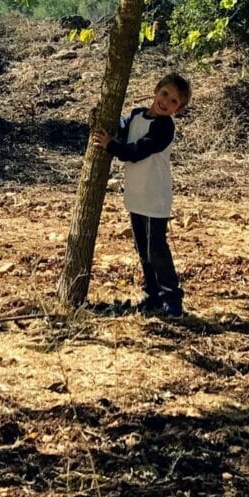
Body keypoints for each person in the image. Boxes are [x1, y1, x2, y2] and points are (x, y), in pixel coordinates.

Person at [94, 71, 191, 316]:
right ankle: (152, 294)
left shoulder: (164, 127)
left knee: (156, 249)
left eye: (173, 102)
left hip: (155, 197)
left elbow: (137, 151)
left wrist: (111, 146)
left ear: (178, 109)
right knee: (142, 248)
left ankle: (173, 298)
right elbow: (122, 129)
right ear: (156, 90)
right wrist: (106, 126)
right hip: (136, 196)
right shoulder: (137, 115)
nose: (166, 102)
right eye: (165, 93)